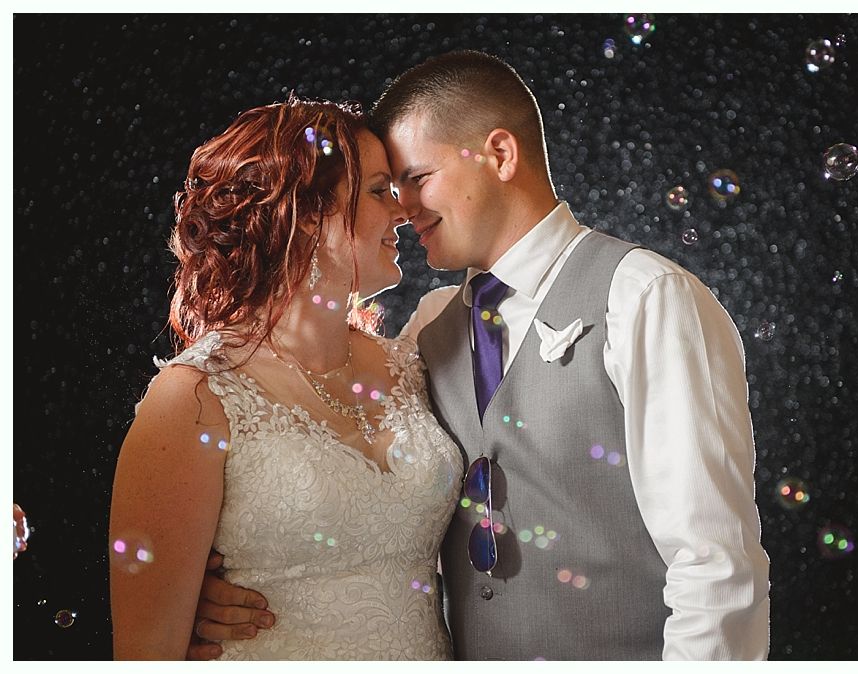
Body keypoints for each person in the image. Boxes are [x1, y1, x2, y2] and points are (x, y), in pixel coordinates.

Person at [192, 50, 770, 660]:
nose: (401, 208)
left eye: (416, 179)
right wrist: (220, 580)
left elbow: (715, 566)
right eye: (388, 190)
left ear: (500, 155)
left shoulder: (645, 299)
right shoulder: (427, 328)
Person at [108, 96, 464, 660]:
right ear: (302, 213)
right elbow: (144, 654)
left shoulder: (411, 363)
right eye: (377, 190)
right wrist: (181, 598)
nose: (402, 211)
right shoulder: (195, 398)